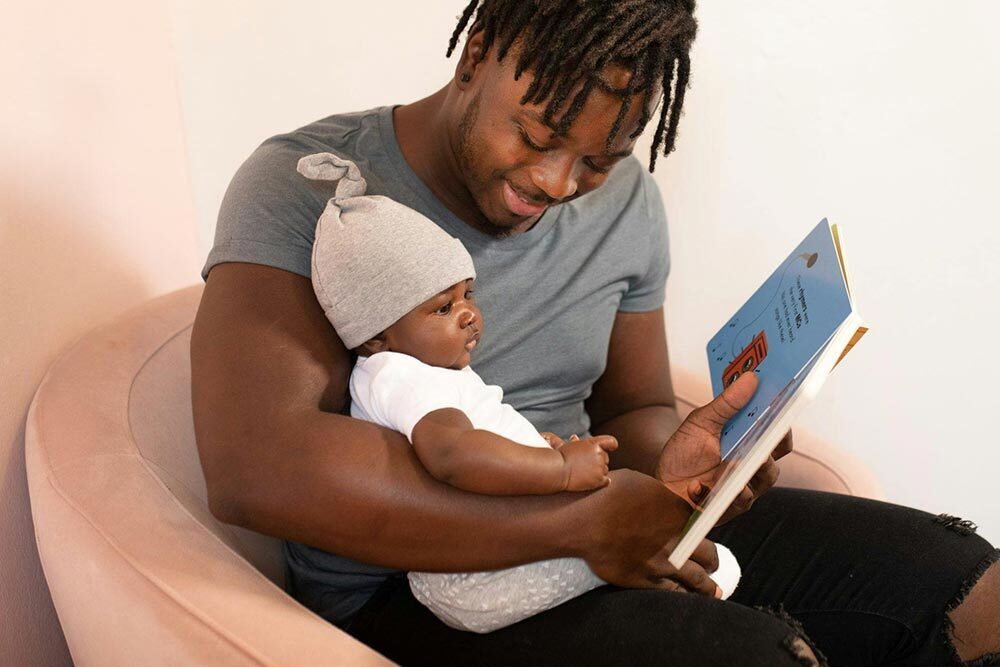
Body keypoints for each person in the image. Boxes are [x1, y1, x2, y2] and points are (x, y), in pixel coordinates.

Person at [191, 1, 1000, 664]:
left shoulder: (626, 206)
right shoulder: (313, 187)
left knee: (963, 583)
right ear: (477, 52)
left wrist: (681, 460)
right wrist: (575, 522)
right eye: (538, 136)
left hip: (590, 511)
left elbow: (633, 407)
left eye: (599, 160)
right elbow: (258, 466)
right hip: (411, 588)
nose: (555, 182)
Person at [295, 150, 745, 633]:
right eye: (442, 309)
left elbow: (480, 443)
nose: (468, 314)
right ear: (374, 334)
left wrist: (536, 448)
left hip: (491, 558)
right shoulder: (399, 375)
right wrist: (559, 469)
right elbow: (453, 455)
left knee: (668, 544)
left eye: (467, 294)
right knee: (701, 562)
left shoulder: (426, 370)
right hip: (471, 577)